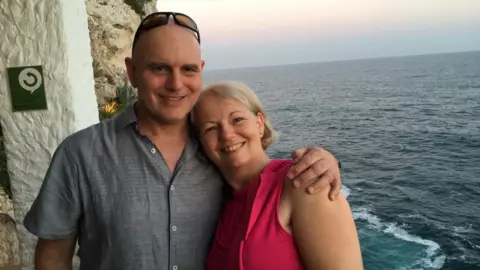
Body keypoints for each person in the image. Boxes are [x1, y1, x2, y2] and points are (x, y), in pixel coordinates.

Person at [23, 12, 344, 270]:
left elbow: (262, 177)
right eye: (159, 68)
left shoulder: (216, 146)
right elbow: (53, 256)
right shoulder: (80, 153)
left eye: (188, 69)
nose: (175, 84)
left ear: (200, 71)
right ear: (132, 72)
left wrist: (322, 159)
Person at [191, 81, 363, 270]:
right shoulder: (215, 201)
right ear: (201, 142)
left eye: (237, 119)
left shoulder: (304, 183)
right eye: (211, 128)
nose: (227, 135)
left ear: (259, 123)